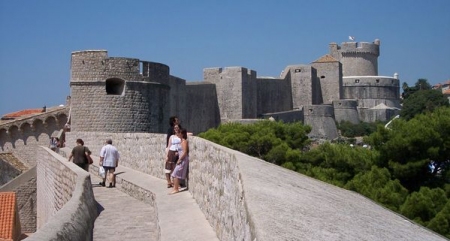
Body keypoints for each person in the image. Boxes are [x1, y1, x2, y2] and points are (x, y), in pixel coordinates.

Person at [170, 128, 189, 194]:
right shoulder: (180, 141)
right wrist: (177, 153)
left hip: (182, 159)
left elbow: (185, 152)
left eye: (179, 133)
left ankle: (176, 189)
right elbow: (181, 151)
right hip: (181, 158)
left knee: (175, 173)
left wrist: (179, 159)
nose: (177, 134)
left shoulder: (184, 141)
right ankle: (175, 188)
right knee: (175, 174)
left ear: (182, 134)